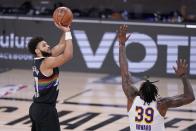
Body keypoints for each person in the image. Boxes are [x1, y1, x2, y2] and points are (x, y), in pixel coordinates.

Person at [118, 25, 195, 131]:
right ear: (155, 94)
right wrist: (183, 76)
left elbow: (125, 74)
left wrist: (122, 44)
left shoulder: (132, 98)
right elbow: (189, 97)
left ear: (139, 92)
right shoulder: (161, 104)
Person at [28, 23, 73, 131]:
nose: (48, 46)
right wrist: (67, 33)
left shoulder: (40, 60)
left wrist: (67, 29)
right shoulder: (47, 62)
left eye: (47, 44)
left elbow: (62, 45)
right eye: (44, 45)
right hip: (45, 110)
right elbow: (68, 55)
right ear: (37, 51)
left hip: (36, 108)